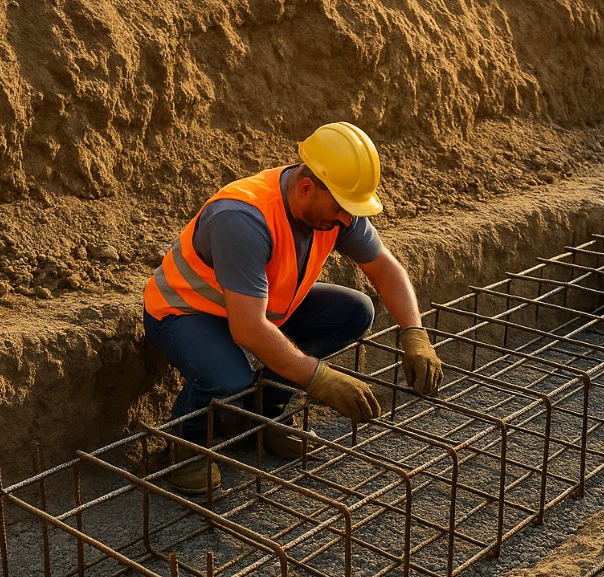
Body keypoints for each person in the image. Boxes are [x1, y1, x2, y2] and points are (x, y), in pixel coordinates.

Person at [142, 122, 444, 493]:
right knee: (228, 378)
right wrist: (321, 379)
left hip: (257, 307)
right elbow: (248, 330)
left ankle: (265, 413)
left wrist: (414, 333)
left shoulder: (336, 207)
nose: (346, 220)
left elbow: (385, 267)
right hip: (187, 311)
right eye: (341, 209)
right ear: (306, 188)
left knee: (354, 311)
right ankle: (185, 443)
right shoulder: (241, 218)